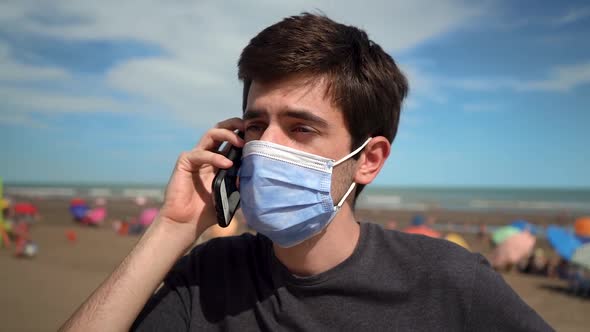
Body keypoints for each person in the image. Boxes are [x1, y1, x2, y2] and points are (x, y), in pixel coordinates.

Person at [60, 13, 552, 331]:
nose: (264, 146)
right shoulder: (207, 278)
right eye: (255, 125)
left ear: (369, 159)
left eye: (300, 129)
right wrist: (173, 228)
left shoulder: (448, 282)